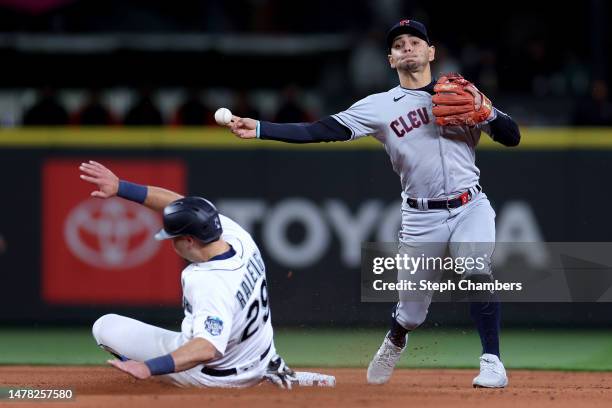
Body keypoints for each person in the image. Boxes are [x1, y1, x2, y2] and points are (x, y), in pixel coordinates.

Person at [225, 19, 521, 388]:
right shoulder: (379, 106)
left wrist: (487, 111)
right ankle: (397, 336)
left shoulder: (462, 92)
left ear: (432, 52)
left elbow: (512, 138)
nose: (408, 47)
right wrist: (259, 128)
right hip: (420, 218)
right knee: (412, 314)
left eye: (416, 41)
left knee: (475, 269)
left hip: (470, 206)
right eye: (399, 45)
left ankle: (492, 361)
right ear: (390, 60)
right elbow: (320, 130)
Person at [79, 160, 334, 388]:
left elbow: (206, 348)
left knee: (105, 327)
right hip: (259, 354)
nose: (170, 243)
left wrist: (148, 367)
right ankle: (269, 369)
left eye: (173, 237)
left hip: (216, 377)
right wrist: (121, 187)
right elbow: (180, 205)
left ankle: (238, 383)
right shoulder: (237, 237)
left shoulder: (208, 281)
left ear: (189, 240)